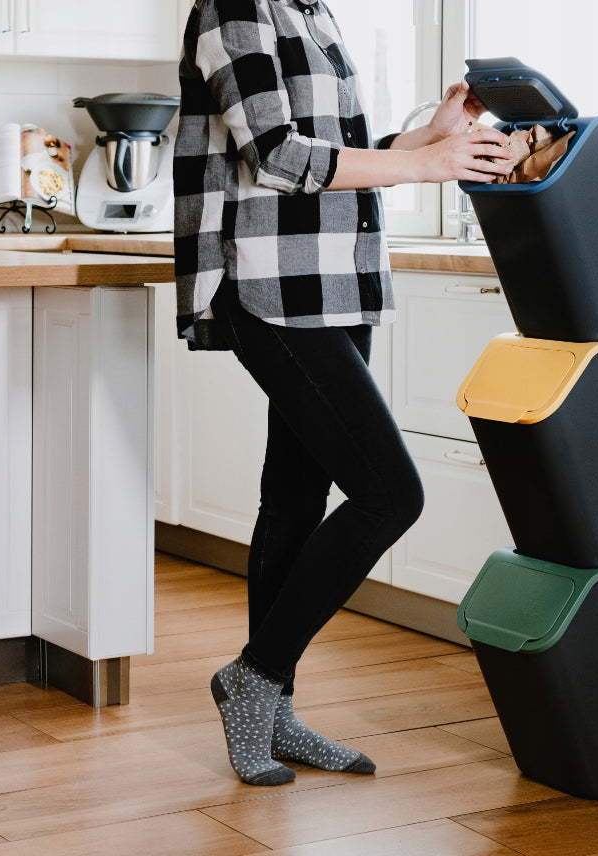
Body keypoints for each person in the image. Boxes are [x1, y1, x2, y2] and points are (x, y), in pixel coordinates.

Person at [173, 0, 513, 786]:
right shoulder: (235, 6)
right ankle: (253, 678)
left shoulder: (312, 13)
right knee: (391, 492)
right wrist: (428, 166)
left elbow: (341, 156)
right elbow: (277, 156)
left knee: (295, 496)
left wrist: (429, 135)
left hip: (332, 283)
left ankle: (273, 708)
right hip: (265, 282)